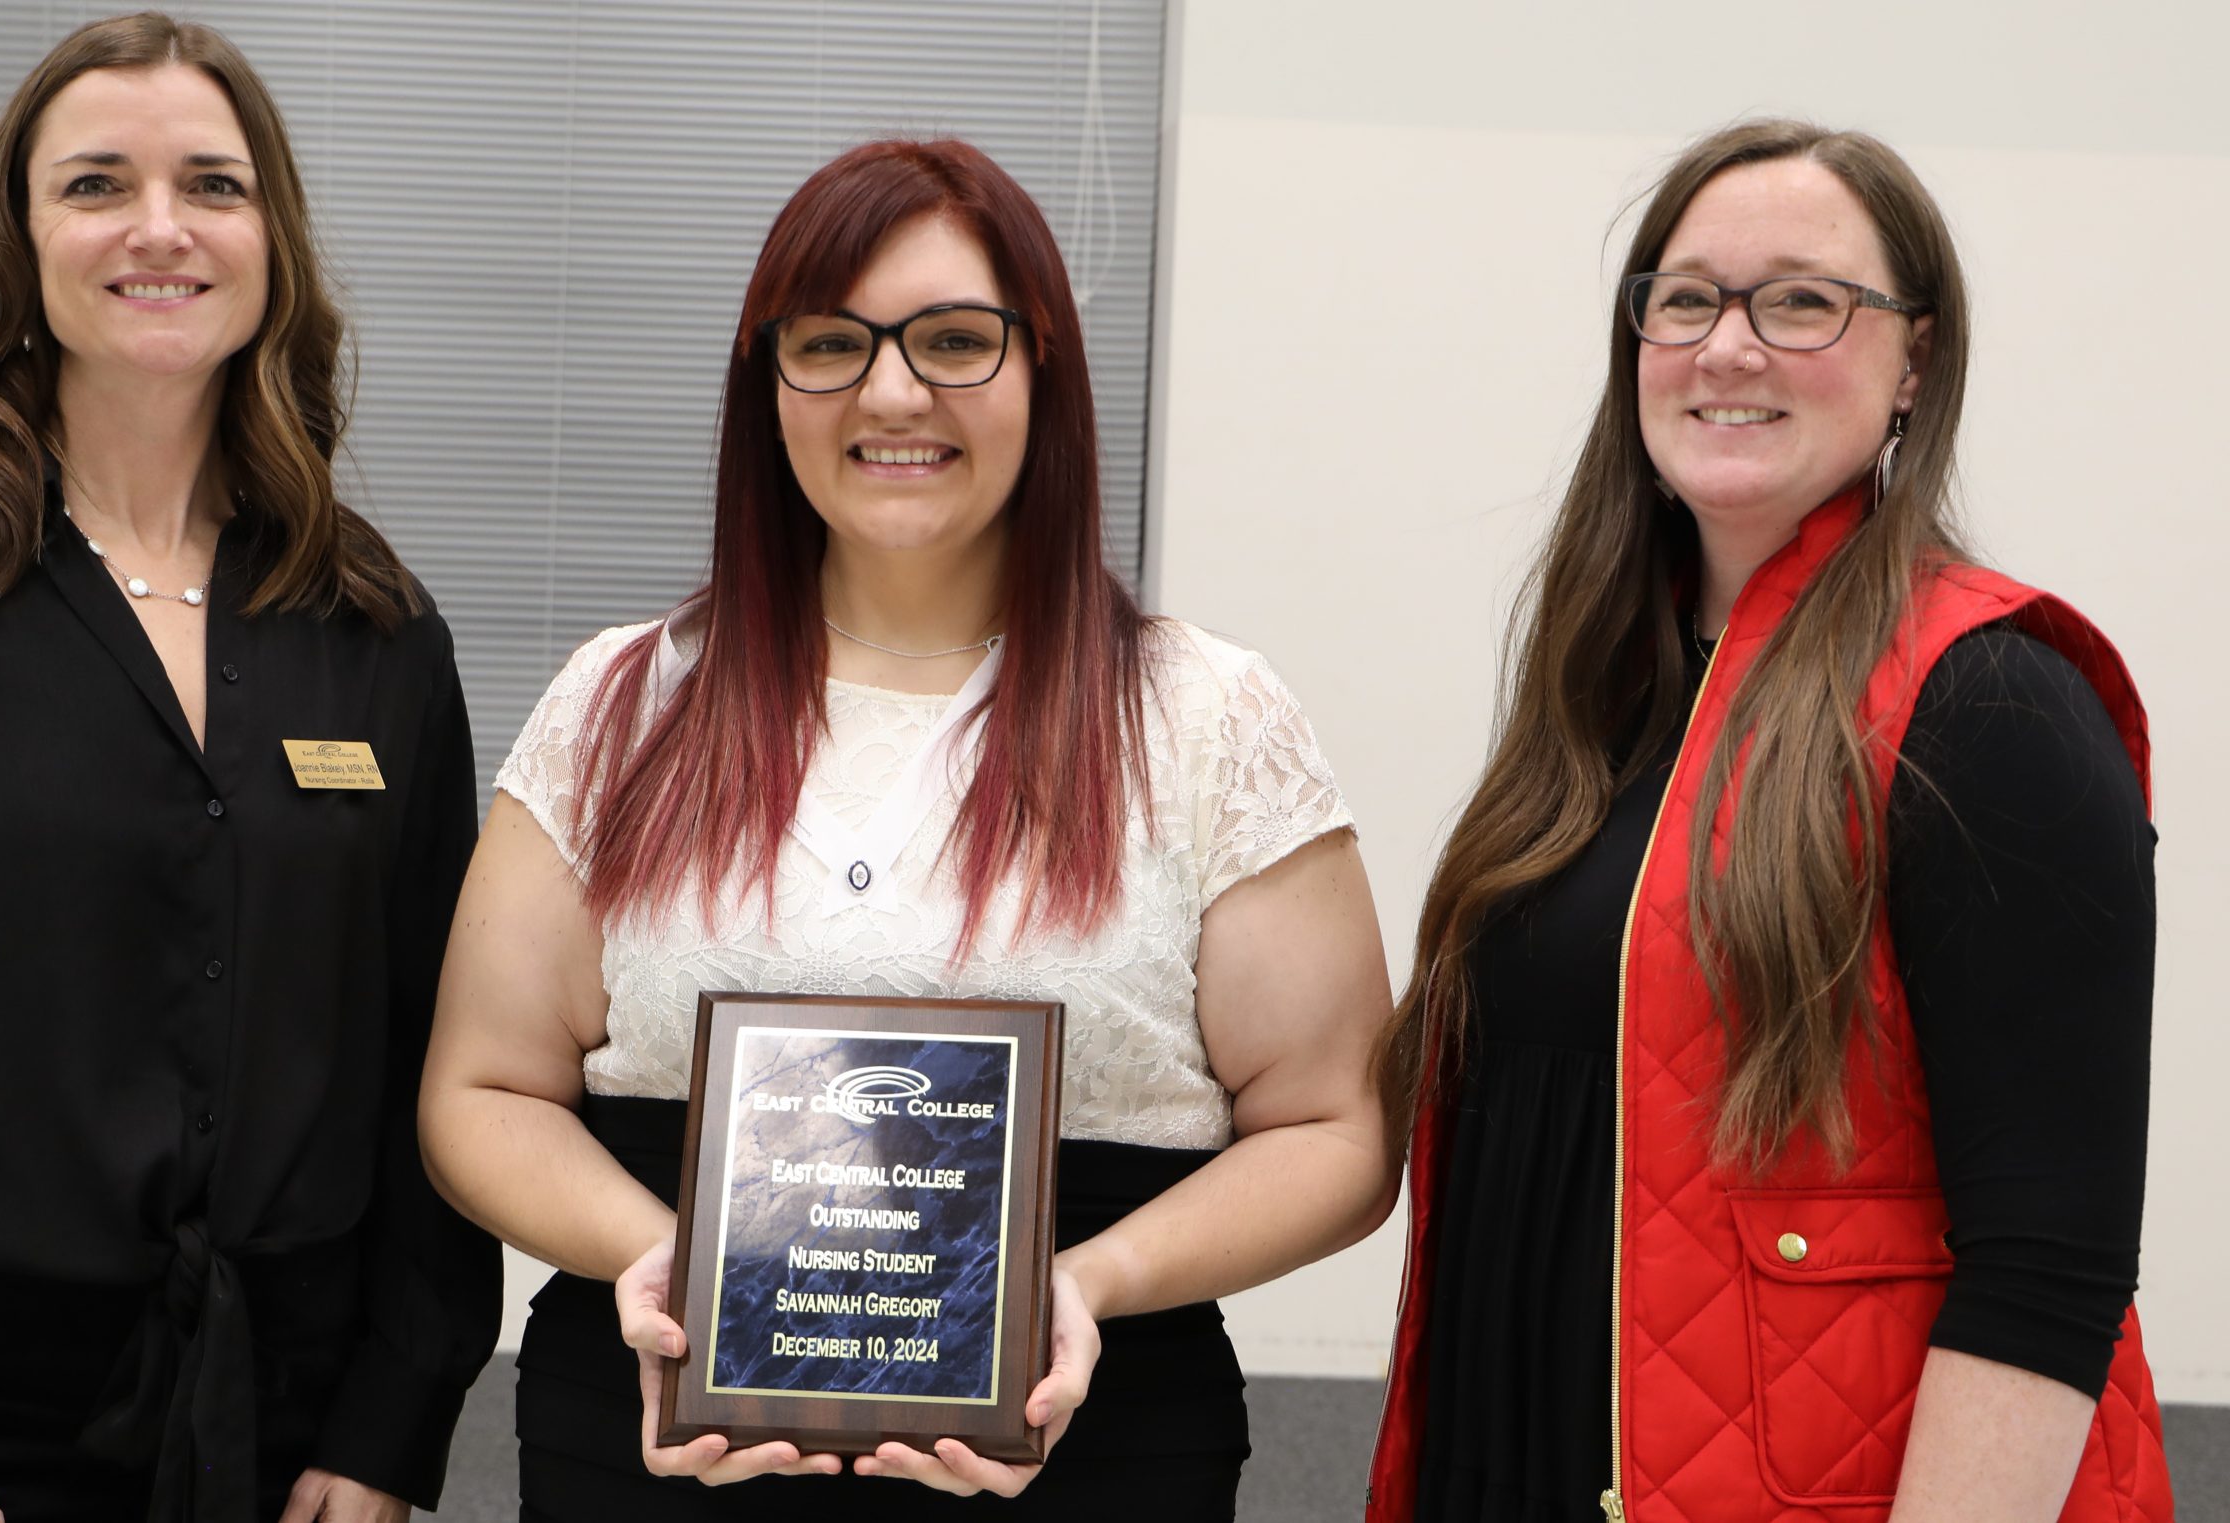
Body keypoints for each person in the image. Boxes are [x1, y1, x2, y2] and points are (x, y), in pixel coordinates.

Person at [417, 137, 1396, 1521]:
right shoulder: (625, 702)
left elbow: (1337, 1129)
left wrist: (1084, 1284)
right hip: (656, 1433)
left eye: (953, 339)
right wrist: (670, 1262)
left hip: (1089, 1446)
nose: (891, 390)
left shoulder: (1207, 720)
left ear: (1042, 369)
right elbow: (481, 1090)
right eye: (831, 342)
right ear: (769, 385)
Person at [0, 14, 501, 1522]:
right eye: (95, 184)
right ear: (19, 235)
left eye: (212, 183)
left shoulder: (375, 628)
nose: (158, 228)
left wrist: (393, 1418)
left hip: (287, 1426)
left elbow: (434, 1060)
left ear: (271, 237)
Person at [1362, 119, 2173, 1522]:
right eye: (1686, 299)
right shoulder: (1604, 700)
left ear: (1915, 360)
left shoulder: (1992, 705)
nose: (1728, 347)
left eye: (1802, 299)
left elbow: (2052, 1268)